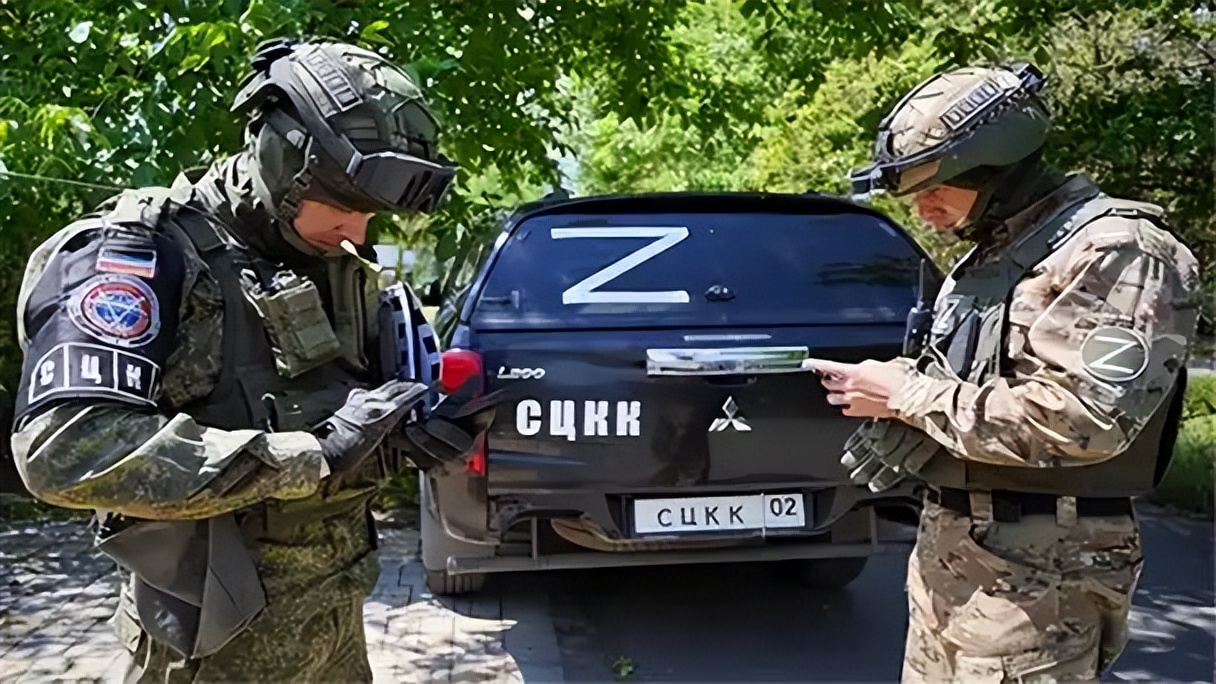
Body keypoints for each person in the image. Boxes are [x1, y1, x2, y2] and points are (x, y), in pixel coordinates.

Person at [10, 38, 496, 683]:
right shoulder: (142, 253)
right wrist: (314, 454)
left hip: (334, 625)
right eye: (344, 207)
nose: (358, 233)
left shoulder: (328, 256)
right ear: (284, 161)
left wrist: (404, 441)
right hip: (209, 642)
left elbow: (330, 413)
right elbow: (64, 451)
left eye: (371, 213)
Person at [812, 63, 1200, 682]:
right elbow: (982, 373)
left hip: (1043, 571)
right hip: (958, 554)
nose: (924, 209)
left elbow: (1081, 421)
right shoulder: (997, 254)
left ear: (996, 165)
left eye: (936, 187)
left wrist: (908, 394)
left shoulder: (1117, 250)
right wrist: (897, 385)